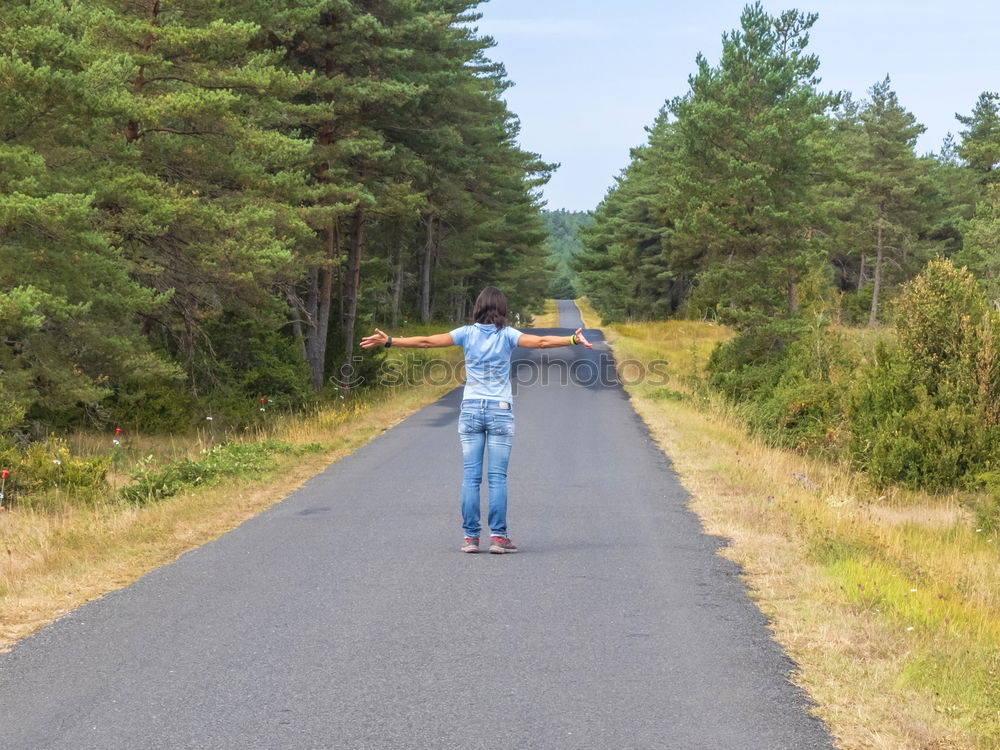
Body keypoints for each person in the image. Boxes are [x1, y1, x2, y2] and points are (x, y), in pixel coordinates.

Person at [360, 286, 591, 554]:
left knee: (471, 478)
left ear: (477, 307)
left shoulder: (466, 333)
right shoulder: (507, 335)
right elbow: (539, 343)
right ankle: (498, 537)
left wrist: (390, 341)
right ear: (501, 309)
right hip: (500, 410)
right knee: (497, 478)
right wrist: (572, 340)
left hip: (470, 409)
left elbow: (426, 341)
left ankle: (471, 538)